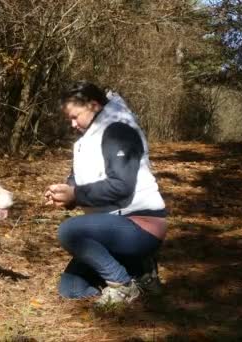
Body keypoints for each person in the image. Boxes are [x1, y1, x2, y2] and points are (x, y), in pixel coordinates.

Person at [44, 80, 167, 307]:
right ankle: (138, 270)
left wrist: (76, 195)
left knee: (69, 231)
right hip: (109, 227)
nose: (72, 124)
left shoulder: (118, 129)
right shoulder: (87, 137)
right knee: (71, 289)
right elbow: (78, 180)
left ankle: (123, 285)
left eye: (75, 116)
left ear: (93, 105)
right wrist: (64, 194)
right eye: (68, 119)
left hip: (140, 224)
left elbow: (121, 186)